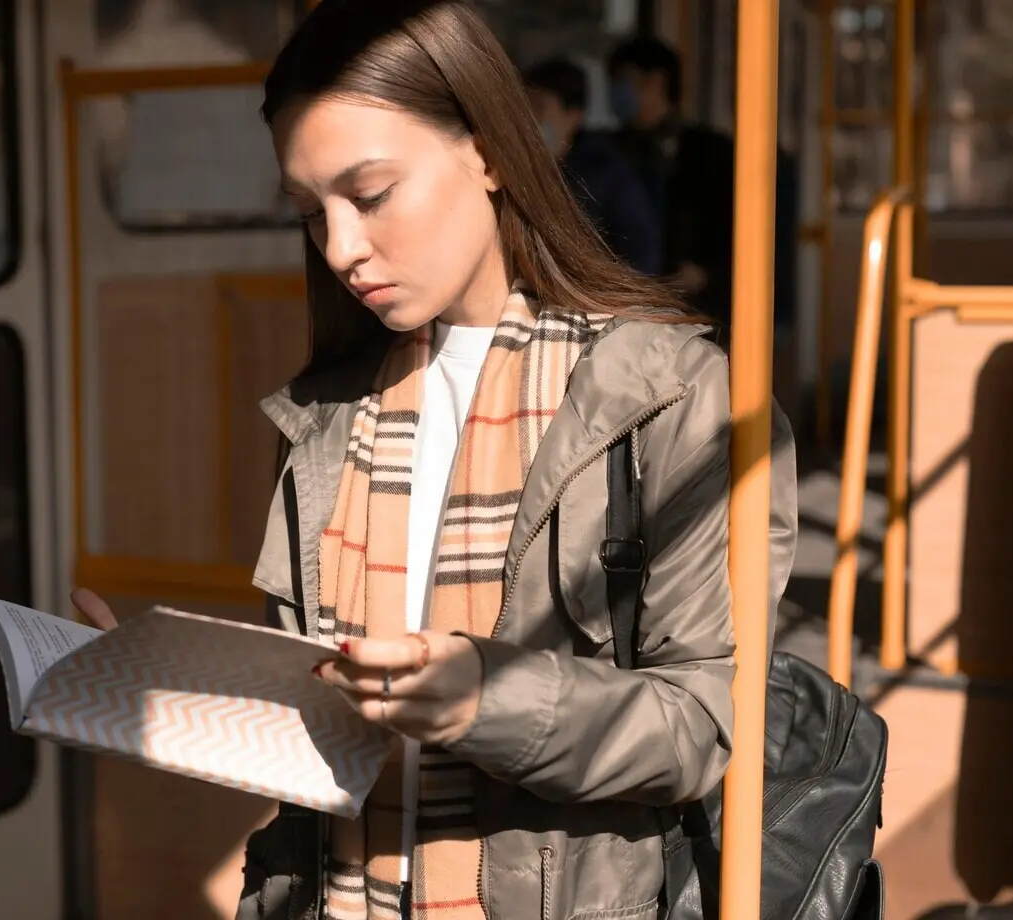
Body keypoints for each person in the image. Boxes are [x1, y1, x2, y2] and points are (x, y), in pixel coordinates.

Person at [73, 0, 799, 917]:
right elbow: (327, 713)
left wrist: (485, 699)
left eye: (372, 195)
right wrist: (171, 692)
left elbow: (700, 726)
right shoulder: (324, 415)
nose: (341, 248)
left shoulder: (666, 395)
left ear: (488, 152)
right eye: (311, 213)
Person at [605, 36, 799, 328]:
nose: (616, 92)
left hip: (702, 308)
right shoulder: (607, 152)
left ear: (656, 82)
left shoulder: (713, 153)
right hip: (628, 302)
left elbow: (749, 228)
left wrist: (708, 273)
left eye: (624, 79)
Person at [524, 56, 662, 275]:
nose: (530, 118)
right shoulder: (518, 166)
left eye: (540, 107)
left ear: (573, 115)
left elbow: (641, 253)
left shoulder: (606, 172)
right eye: (525, 106)